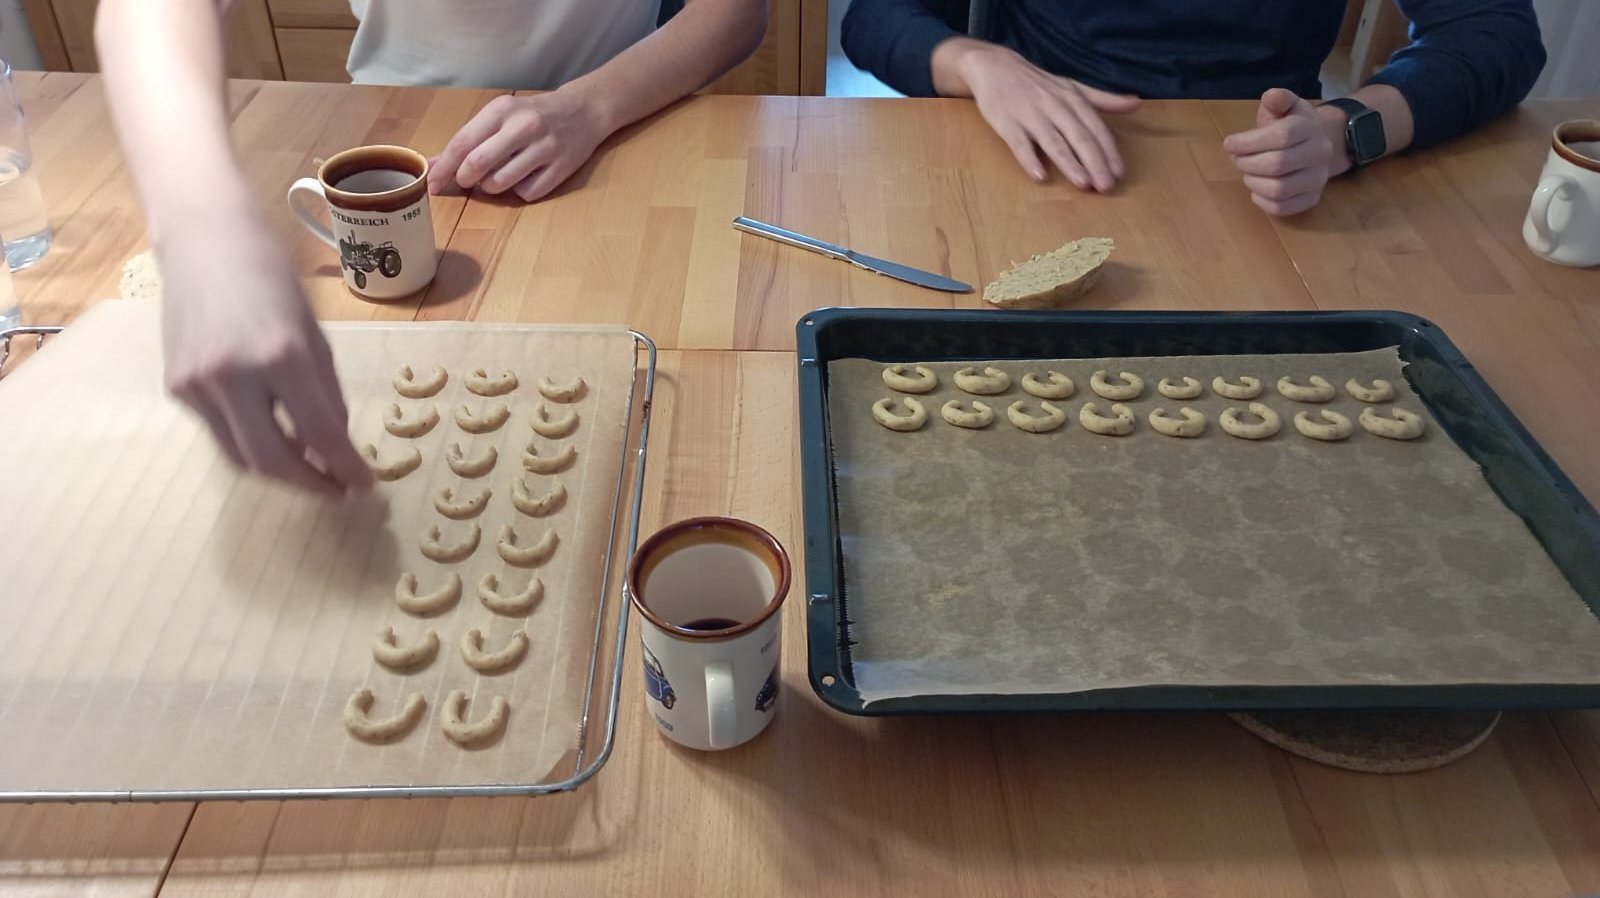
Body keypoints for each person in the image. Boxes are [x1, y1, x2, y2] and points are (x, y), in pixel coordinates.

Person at [93, 0, 766, 494]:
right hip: (397, 137)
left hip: (622, 129)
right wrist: (203, 229)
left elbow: (734, 11)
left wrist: (588, 108)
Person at [841, 0, 1544, 216]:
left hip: (1270, 172)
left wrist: (1345, 131)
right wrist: (980, 63)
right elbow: (876, 18)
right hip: (1040, 161)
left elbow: (1495, 32)